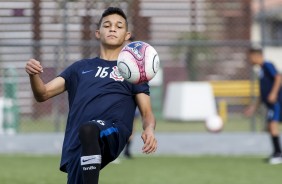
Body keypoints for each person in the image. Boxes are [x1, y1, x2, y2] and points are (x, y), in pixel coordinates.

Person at [25, 7, 157, 184]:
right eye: (107, 25)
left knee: (90, 129)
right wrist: (34, 75)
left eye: (118, 26)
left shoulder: (133, 70)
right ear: (97, 33)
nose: (112, 29)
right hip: (78, 140)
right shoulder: (79, 68)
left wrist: (148, 129)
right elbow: (43, 94)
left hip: (114, 130)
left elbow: (147, 112)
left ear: (127, 35)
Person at [244, 47, 282, 165]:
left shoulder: (267, 65)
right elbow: (262, 93)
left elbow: (278, 77)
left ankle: (278, 154)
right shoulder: (260, 71)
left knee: (272, 125)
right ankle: (277, 152)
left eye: (249, 57)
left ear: (256, 56)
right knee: (270, 127)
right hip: (271, 104)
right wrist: (254, 107)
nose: (249, 60)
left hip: (277, 102)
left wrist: (274, 93)